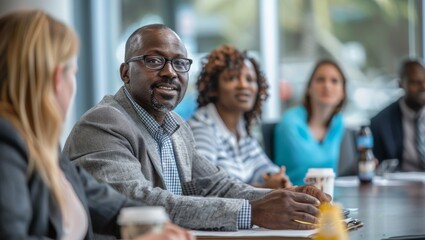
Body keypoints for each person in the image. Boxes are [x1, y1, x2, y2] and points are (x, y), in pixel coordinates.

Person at [63, 24, 331, 231]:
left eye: (179, 63)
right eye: (154, 61)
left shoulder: (177, 127)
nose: (170, 72)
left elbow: (219, 186)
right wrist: (252, 211)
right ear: (125, 73)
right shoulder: (103, 123)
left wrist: (287, 197)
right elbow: (139, 203)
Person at [0, 10, 194, 240]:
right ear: (56, 79)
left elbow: (108, 204)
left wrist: (155, 226)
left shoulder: (42, 147)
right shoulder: (6, 144)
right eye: (74, 73)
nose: (169, 73)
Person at [188, 45, 290, 189]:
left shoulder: (242, 129)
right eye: (232, 78)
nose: (243, 85)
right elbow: (204, 187)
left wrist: (278, 179)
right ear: (213, 88)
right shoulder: (201, 127)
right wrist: (263, 188)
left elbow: (264, 167)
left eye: (250, 79)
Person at [274, 59, 347, 185]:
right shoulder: (290, 123)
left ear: (343, 93)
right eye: (320, 80)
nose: (327, 86)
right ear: (309, 88)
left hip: (328, 198)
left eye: (334, 81)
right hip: (294, 198)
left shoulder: (338, 123)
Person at [370, 58, 425, 171]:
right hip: (402, 184)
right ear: (401, 84)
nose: (424, 87)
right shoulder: (380, 123)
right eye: (416, 82)